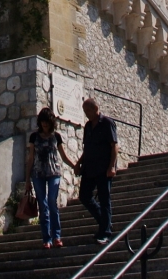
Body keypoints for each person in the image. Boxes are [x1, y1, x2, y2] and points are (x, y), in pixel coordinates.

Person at [24, 106, 75, 249]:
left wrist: (75, 166)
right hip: (38, 174)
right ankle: (46, 239)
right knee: (43, 206)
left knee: (52, 201)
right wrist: (27, 180)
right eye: (42, 122)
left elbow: (63, 156)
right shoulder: (34, 137)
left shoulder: (56, 137)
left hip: (53, 173)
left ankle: (57, 236)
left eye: (46, 122)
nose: (44, 124)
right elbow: (31, 159)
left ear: (51, 122)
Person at [75, 98, 118, 244]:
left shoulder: (107, 123)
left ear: (95, 108)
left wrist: (112, 167)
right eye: (84, 111)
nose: (86, 114)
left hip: (103, 168)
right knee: (84, 196)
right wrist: (78, 163)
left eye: (88, 110)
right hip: (89, 167)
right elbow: (87, 148)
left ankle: (105, 231)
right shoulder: (87, 126)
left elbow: (114, 146)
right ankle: (104, 221)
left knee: (105, 199)